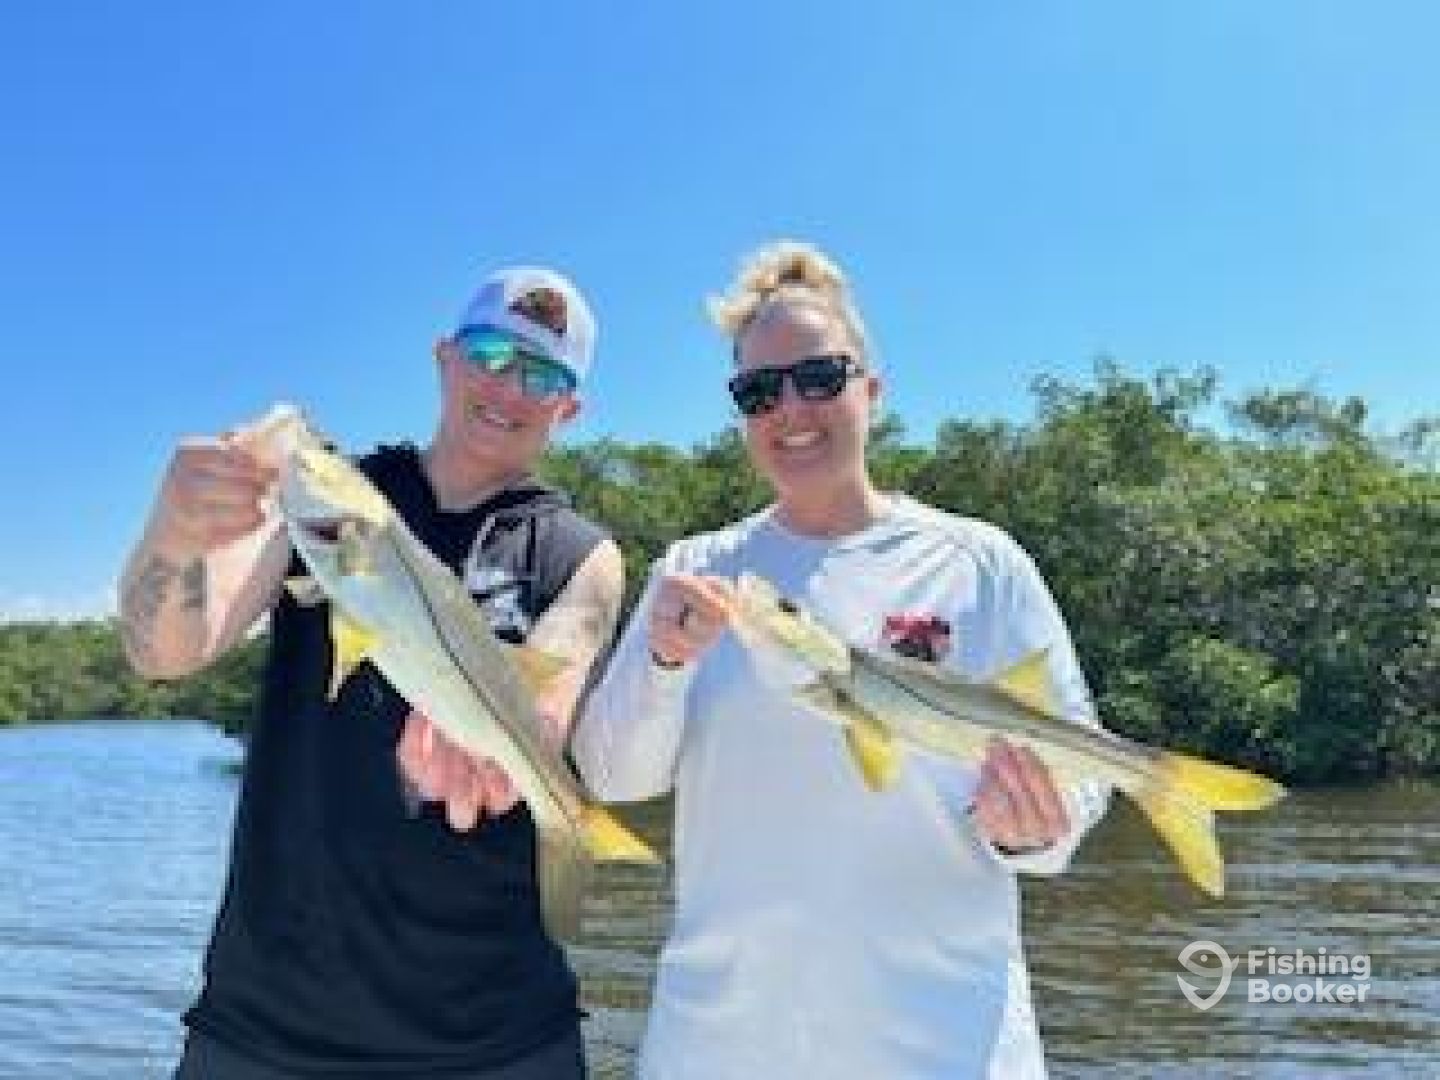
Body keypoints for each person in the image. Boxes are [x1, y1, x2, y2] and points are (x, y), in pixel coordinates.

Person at [570, 241, 1111, 1079]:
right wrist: (664, 664)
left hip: (948, 1048)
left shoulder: (982, 563)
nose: (790, 408)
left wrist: (1039, 831)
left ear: (872, 390)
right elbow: (612, 777)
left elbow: (1083, 774)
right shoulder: (695, 569)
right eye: (758, 391)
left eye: (820, 377)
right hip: (718, 1047)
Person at [119, 265, 625, 1079]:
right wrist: (176, 531)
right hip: (264, 1029)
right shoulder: (332, 503)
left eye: (542, 375)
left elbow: (548, 701)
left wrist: (495, 762)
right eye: (490, 353)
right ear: (444, 358)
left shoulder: (583, 553)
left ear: (569, 409)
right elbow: (164, 655)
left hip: (496, 1038)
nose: (508, 387)